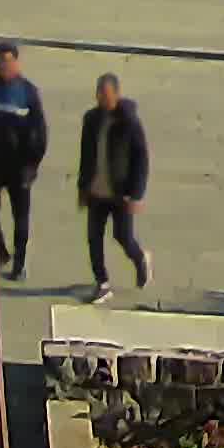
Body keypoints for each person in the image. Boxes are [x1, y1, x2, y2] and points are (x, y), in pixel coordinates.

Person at [0, 42, 48, 281]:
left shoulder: (28, 92)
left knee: (21, 217)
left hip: (19, 167)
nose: (2, 66)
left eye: (6, 61)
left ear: (16, 62)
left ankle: (20, 263)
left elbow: (40, 134)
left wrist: (32, 166)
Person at [76, 73, 151, 304]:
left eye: (107, 95)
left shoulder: (129, 121)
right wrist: (82, 187)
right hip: (96, 192)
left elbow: (141, 158)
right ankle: (102, 283)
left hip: (121, 193)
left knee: (123, 236)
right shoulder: (91, 119)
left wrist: (136, 194)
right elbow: (85, 156)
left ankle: (140, 259)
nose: (103, 99)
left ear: (117, 95)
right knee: (93, 238)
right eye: (100, 94)